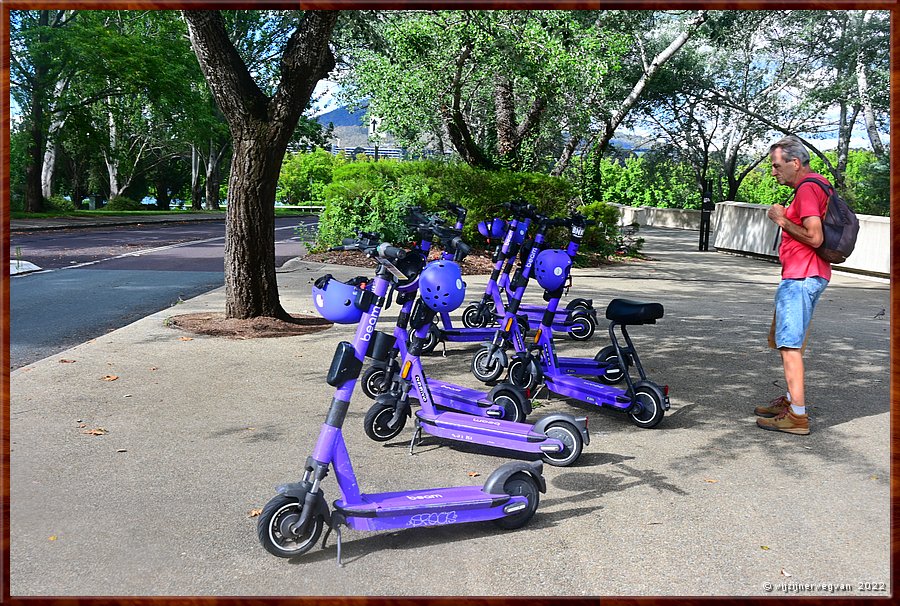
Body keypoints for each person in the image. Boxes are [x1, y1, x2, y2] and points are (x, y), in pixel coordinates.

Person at [755, 136, 831, 435]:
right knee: (787, 341)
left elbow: (815, 237)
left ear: (795, 163)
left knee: (789, 346)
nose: (774, 172)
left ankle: (797, 416)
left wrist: (781, 219)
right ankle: (789, 401)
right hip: (804, 274)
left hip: (802, 276)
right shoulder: (815, 184)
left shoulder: (809, 188)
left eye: (777, 166)